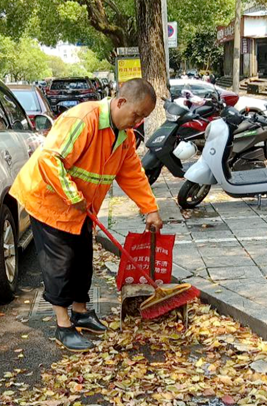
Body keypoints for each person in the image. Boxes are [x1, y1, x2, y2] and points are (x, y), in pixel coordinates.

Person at [10, 78, 163, 352]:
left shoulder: (124, 137)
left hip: (82, 209)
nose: (137, 122)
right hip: (48, 201)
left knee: (82, 259)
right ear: (120, 102)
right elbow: (50, 159)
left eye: (143, 118)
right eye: (136, 114)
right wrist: (73, 196)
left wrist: (150, 209)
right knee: (60, 264)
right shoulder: (83, 119)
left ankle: (81, 312)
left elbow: (132, 175)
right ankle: (63, 325)